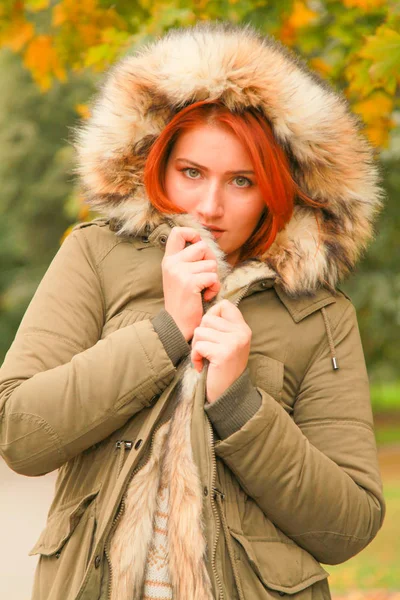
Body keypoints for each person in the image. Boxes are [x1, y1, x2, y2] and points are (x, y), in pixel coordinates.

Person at [0, 22, 385, 600]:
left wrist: (240, 404)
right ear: (156, 165)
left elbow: (347, 527)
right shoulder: (95, 255)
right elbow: (22, 434)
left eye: (242, 181)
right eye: (191, 173)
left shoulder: (321, 315)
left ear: (279, 189)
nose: (209, 205)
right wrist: (165, 334)